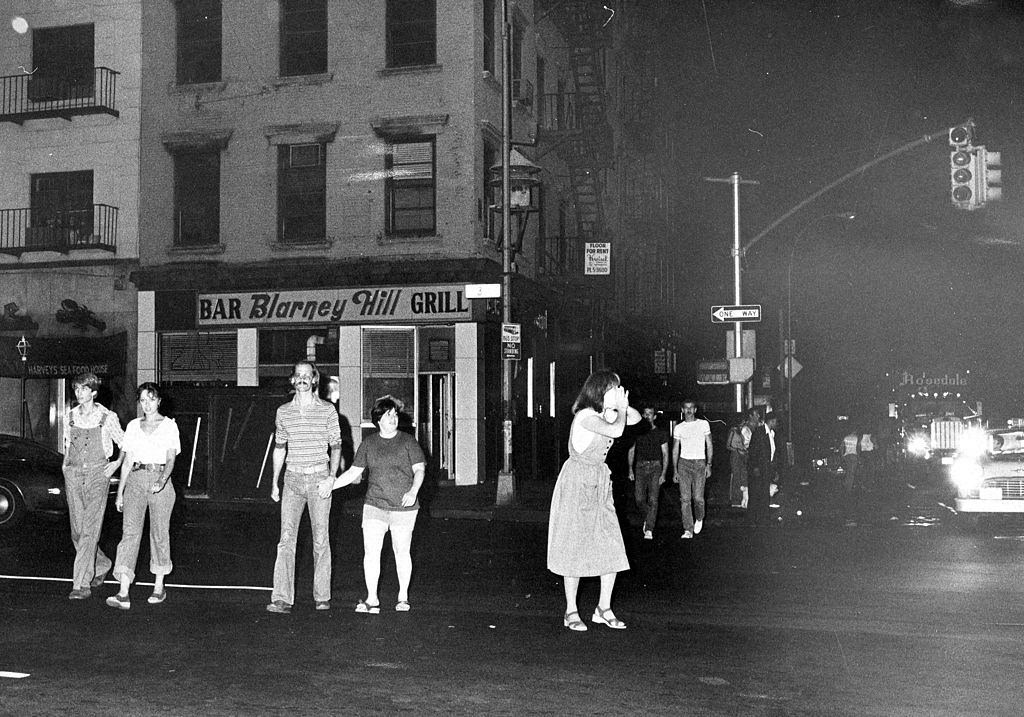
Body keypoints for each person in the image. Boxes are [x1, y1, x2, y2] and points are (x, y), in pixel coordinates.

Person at [548, 369, 640, 632]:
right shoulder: (585, 416)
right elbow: (618, 430)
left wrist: (618, 405)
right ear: (599, 390)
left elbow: (635, 419)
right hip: (578, 482)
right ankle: (571, 611)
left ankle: (603, 608)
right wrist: (619, 409)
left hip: (599, 483)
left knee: (611, 544)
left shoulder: (604, 414)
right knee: (574, 546)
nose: (618, 392)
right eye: (614, 388)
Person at [325, 395, 425, 614]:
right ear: (378, 420)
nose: (394, 419)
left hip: (404, 507)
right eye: (389, 415)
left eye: (395, 415)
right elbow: (353, 472)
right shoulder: (369, 444)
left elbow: (419, 470)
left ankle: (403, 597)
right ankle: (372, 598)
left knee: (402, 552)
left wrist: (413, 491)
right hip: (374, 505)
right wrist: (330, 486)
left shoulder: (408, 441)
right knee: (371, 553)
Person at [266, 360, 343, 614]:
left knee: (321, 539)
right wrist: (275, 482)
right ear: (292, 380)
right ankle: (281, 598)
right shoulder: (283, 412)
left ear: (314, 380)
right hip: (293, 480)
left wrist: (331, 477)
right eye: (298, 375)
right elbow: (279, 447)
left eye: (306, 375)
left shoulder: (328, 410)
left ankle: (322, 596)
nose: (302, 379)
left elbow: (336, 445)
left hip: (319, 478)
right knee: (286, 539)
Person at [106, 383, 180, 609]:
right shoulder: (132, 426)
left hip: (160, 479)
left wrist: (162, 480)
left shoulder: (169, 426)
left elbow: (171, 459)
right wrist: (120, 493)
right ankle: (123, 592)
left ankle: (158, 587)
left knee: (159, 534)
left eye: (151, 399)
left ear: (159, 401)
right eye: (143, 400)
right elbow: (127, 461)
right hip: (136, 480)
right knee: (129, 533)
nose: (147, 404)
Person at [63, 372, 125, 600]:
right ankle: (102, 564)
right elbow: (68, 444)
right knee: (77, 531)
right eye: (76, 389)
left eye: (84, 389)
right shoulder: (70, 416)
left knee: (89, 530)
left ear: (94, 392)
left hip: (98, 475)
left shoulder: (108, 417)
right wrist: (65, 466)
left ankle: (81, 583)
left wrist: (116, 463)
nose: (79, 393)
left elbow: (125, 443)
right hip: (73, 474)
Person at [671, 398, 712, 539]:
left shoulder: (703, 424)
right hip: (684, 464)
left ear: (695, 410)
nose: (688, 410)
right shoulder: (679, 427)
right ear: (682, 410)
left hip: (700, 463)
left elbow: (709, 445)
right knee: (685, 499)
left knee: (698, 498)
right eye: (686, 408)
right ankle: (688, 529)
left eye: (691, 408)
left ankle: (699, 518)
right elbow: (675, 449)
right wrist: (675, 470)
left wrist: (709, 464)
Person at [628, 405, 669, 540]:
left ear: (654, 416)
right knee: (639, 499)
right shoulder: (637, 432)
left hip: (655, 467)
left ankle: (649, 529)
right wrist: (630, 469)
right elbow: (631, 450)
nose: (647, 416)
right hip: (640, 467)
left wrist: (663, 473)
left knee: (653, 499)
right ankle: (649, 516)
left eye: (650, 414)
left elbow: (665, 454)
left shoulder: (661, 433)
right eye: (645, 414)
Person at [746, 409, 776, 526]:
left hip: (767, 468)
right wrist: (755, 467)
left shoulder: (772, 434)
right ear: (771, 421)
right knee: (755, 494)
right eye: (776, 422)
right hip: (758, 469)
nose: (777, 424)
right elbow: (753, 451)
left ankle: (763, 519)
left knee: (764, 495)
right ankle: (752, 520)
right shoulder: (759, 432)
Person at [726, 415, 750, 509]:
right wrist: (737, 450)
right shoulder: (733, 431)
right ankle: (735, 499)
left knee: (742, 477)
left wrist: (744, 450)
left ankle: (740, 498)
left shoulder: (740, 431)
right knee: (736, 477)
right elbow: (728, 445)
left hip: (742, 455)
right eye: (743, 421)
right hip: (735, 455)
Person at [841, 428, 860, 494]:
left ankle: (846, 484)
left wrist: (842, 455)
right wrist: (858, 456)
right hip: (854, 455)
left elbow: (841, 447)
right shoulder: (856, 438)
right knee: (852, 473)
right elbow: (858, 447)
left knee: (848, 471)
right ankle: (849, 488)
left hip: (847, 455)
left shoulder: (846, 437)